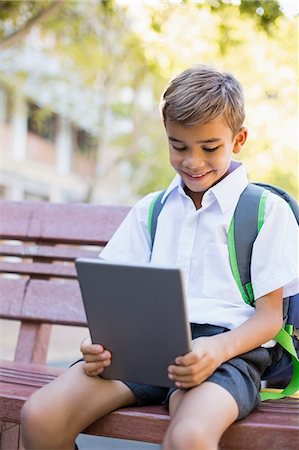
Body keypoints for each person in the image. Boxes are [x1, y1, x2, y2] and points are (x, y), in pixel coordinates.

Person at [20, 65, 298, 450]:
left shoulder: (267, 211)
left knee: (189, 436)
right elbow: (115, 299)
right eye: (178, 146)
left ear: (239, 140)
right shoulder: (152, 210)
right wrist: (96, 343)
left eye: (209, 147)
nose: (192, 161)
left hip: (227, 354)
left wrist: (216, 349)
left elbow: (269, 318)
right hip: (143, 347)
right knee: (40, 416)